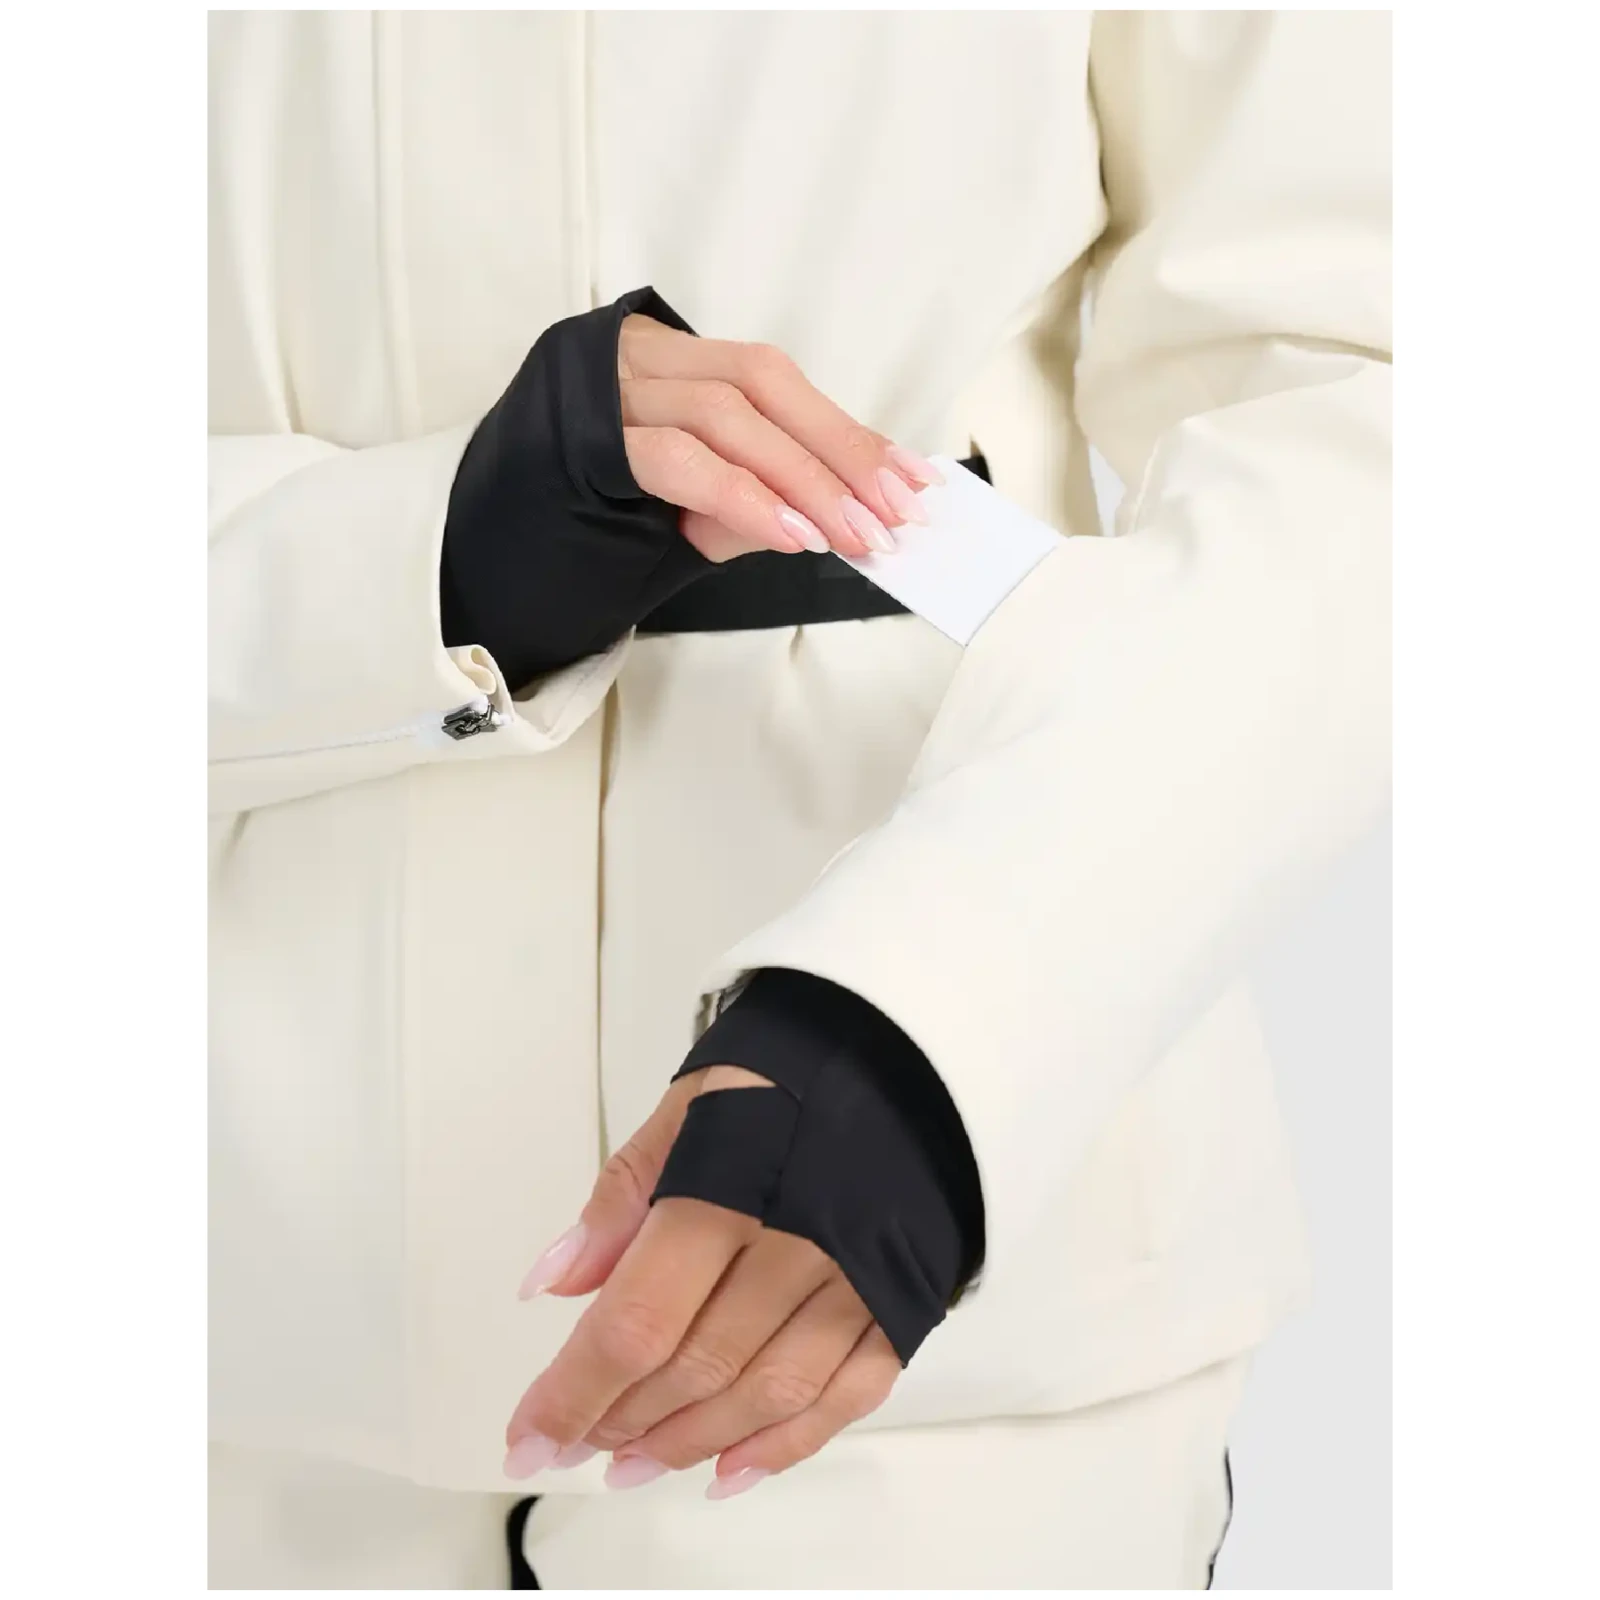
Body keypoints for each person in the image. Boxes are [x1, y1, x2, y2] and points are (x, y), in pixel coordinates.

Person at [207, 9, 1390, 1589]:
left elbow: (1370, 415)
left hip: (942, 1387)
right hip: (213, 1341)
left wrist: (940, 1019)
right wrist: (412, 560)